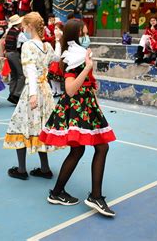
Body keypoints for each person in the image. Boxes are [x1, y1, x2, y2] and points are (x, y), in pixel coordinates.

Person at [40, 19, 116, 217]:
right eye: (83, 33)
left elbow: (89, 86)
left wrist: (97, 107)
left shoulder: (81, 55)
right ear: (75, 36)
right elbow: (71, 90)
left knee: (86, 149)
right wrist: (87, 67)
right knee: (90, 148)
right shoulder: (73, 58)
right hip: (76, 107)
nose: (86, 36)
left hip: (87, 106)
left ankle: (59, 193)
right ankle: (92, 196)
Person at [3, 12, 61, 180]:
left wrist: (33, 95)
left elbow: (30, 71)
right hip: (46, 91)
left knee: (19, 125)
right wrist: (57, 39)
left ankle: (21, 170)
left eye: (24, 25)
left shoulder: (28, 45)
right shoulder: (47, 46)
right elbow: (57, 57)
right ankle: (45, 168)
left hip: (33, 90)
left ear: (29, 27)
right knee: (40, 126)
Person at [5, 14, 27, 104]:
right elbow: (26, 41)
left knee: (14, 75)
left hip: (8, 53)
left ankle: (11, 93)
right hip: (14, 53)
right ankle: (17, 95)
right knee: (21, 74)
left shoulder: (9, 31)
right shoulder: (19, 33)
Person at [48, 22, 64, 96]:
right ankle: (54, 90)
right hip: (54, 60)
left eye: (57, 29)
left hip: (59, 60)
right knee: (52, 76)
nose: (55, 30)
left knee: (56, 76)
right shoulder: (55, 39)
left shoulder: (62, 40)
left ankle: (58, 90)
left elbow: (59, 53)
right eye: (54, 29)